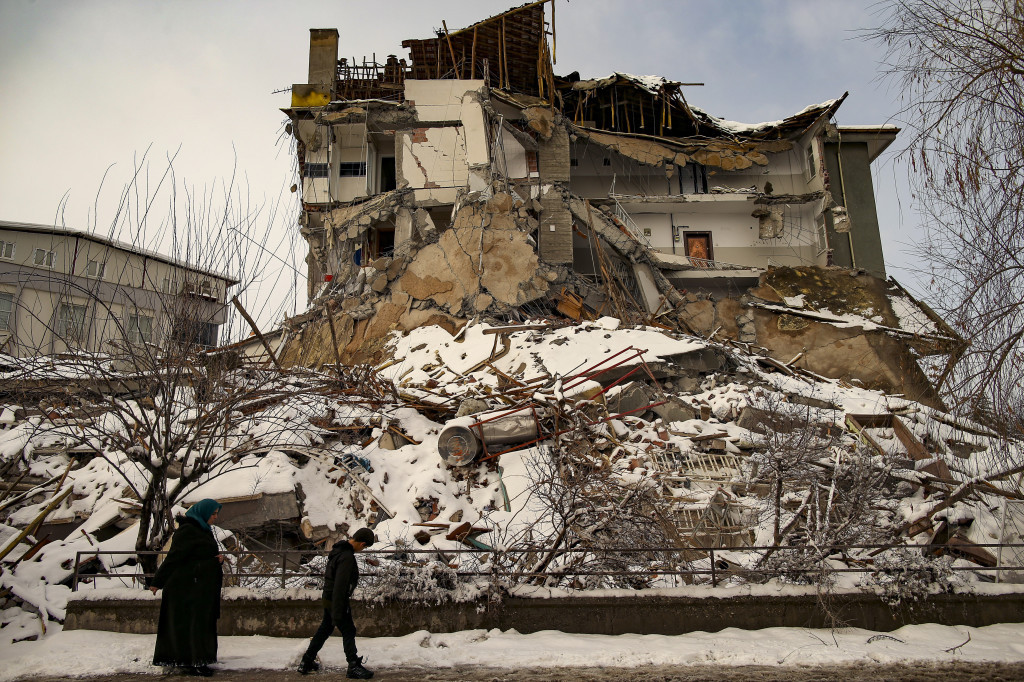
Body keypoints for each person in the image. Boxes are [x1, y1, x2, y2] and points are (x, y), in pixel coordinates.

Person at [149, 499, 225, 677]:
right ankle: (190, 662)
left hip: (198, 587)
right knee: (191, 625)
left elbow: (199, 554)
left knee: (200, 624)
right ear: (203, 513)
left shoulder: (202, 529)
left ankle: (199, 660)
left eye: (215, 514)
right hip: (186, 588)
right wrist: (157, 581)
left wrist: (216, 560)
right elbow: (175, 557)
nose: (215, 517)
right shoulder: (188, 531)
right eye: (213, 514)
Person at [298, 527, 375, 678]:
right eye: (365, 547)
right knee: (348, 630)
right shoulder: (347, 557)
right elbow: (341, 584)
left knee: (325, 629)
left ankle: (306, 662)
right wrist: (339, 608)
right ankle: (353, 666)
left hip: (328, 597)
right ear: (362, 543)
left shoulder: (338, 551)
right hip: (337, 599)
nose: (362, 550)